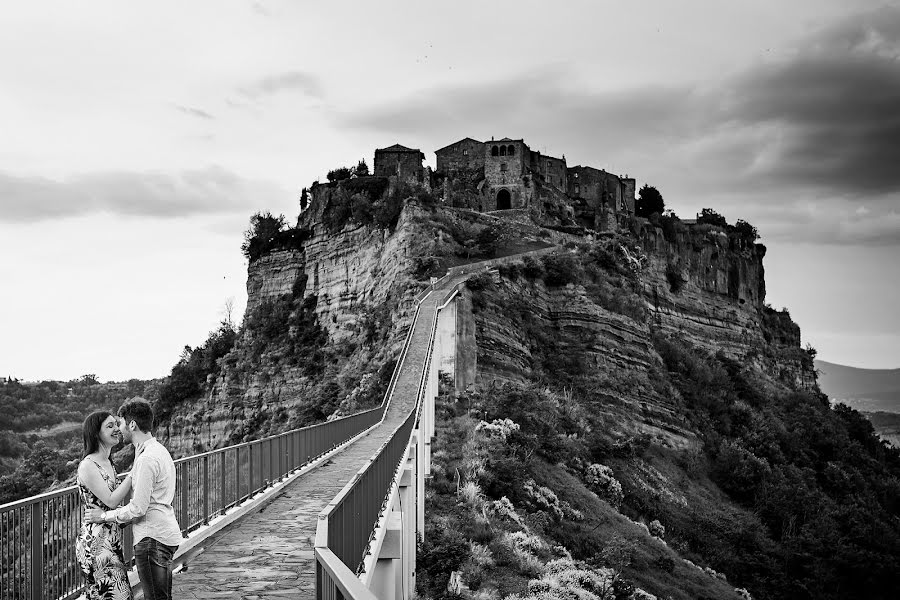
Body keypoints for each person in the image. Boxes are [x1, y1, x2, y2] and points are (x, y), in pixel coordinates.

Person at [85, 400, 182, 600]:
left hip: (152, 539)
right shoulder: (157, 451)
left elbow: (138, 508)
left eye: (120, 423)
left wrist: (103, 516)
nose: (119, 429)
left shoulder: (146, 459)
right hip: (163, 534)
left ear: (132, 425)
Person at [75, 411, 135, 600]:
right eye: (109, 426)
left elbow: (109, 507)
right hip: (96, 544)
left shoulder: (108, 462)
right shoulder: (88, 465)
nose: (117, 429)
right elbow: (110, 500)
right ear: (96, 434)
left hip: (111, 540)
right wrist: (136, 470)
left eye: (116, 424)